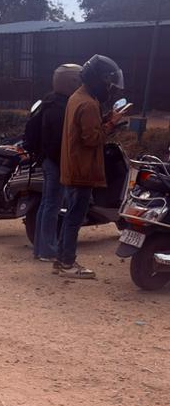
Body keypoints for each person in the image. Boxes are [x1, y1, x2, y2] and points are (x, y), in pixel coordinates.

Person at [57, 55, 125, 279]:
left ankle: (61, 260)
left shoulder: (79, 97)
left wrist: (106, 118)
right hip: (82, 170)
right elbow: (91, 138)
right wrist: (112, 124)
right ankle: (67, 263)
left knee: (70, 217)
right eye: (106, 82)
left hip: (73, 167)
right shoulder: (87, 103)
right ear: (97, 79)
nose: (108, 87)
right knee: (75, 218)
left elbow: (86, 127)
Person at [24, 64, 82, 263]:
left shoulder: (49, 101)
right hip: (57, 161)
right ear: (72, 82)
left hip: (47, 160)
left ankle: (41, 248)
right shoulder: (62, 107)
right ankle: (48, 249)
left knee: (47, 204)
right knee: (52, 206)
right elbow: (58, 140)